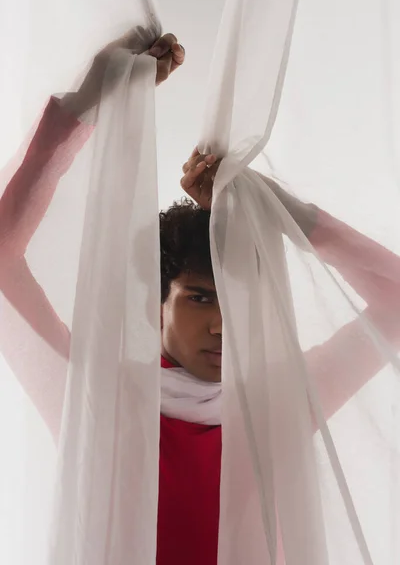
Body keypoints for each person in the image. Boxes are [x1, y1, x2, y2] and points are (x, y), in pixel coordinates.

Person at [0, 32, 400, 565]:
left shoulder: (281, 400)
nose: (222, 327)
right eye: (200, 299)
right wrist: (88, 105)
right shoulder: (98, 400)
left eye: (236, 305)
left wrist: (286, 214)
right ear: (156, 303)